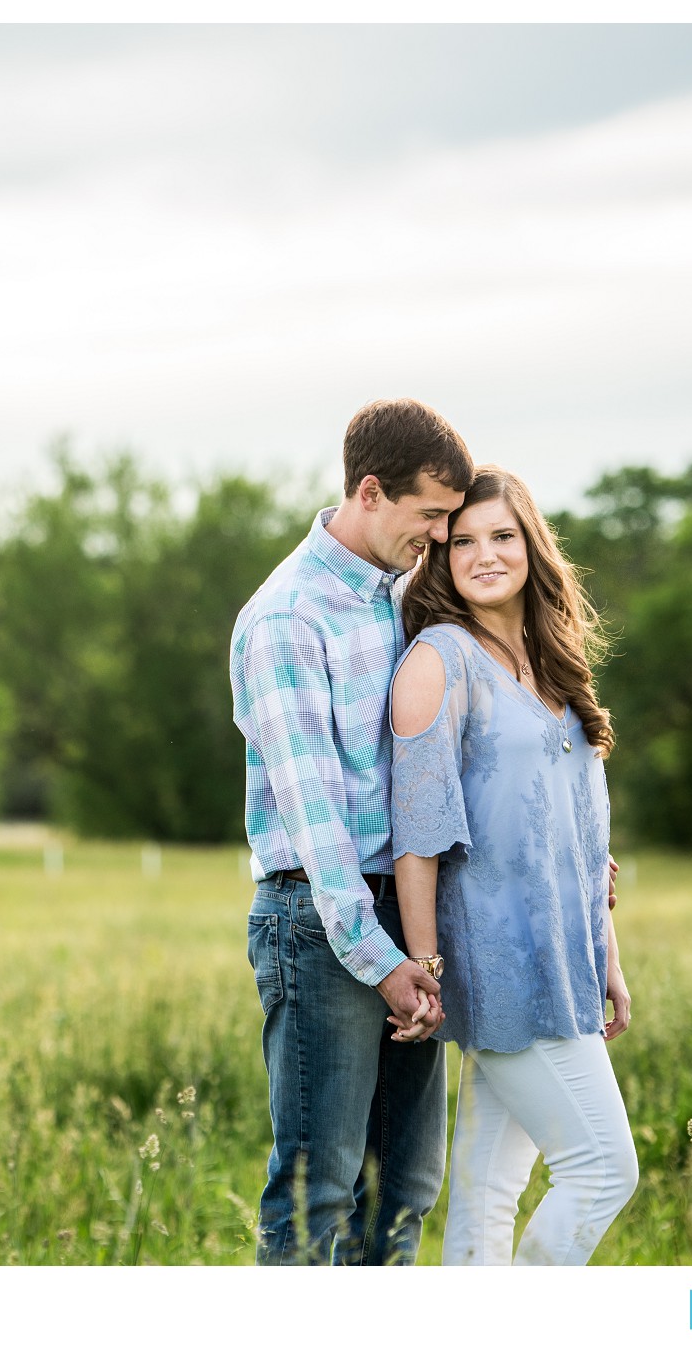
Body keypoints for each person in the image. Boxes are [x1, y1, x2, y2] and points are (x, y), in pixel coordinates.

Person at [229, 397, 472, 1264]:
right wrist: (382, 961)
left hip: (408, 916)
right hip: (319, 921)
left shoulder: (402, 596)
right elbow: (318, 822)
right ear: (370, 492)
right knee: (319, 1187)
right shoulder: (287, 618)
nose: (441, 536)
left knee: (403, 1188)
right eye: (431, 515)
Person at [386, 463, 638, 1265]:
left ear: (533, 544)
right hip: (501, 964)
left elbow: (581, 838)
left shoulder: (556, 665)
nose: (484, 554)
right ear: (442, 558)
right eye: (463, 540)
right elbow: (416, 839)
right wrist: (424, 963)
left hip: (566, 959)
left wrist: (610, 955)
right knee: (603, 1169)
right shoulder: (441, 660)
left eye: (502, 535)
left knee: (489, 1193)